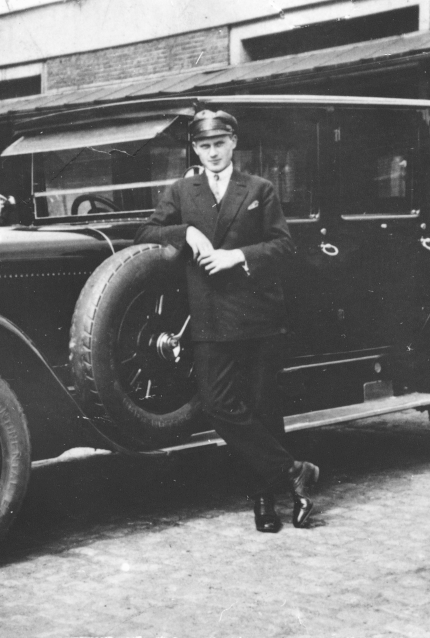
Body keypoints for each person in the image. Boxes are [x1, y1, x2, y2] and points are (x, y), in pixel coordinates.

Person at [135, 109, 319, 532]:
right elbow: (144, 233)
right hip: (209, 317)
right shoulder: (182, 190)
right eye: (204, 145)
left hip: (258, 317)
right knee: (219, 406)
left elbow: (283, 246)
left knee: (263, 410)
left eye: (219, 143)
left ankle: (267, 505)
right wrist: (184, 233)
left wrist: (236, 256)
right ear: (195, 149)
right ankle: (295, 473)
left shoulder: (259, 188)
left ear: (233, 142)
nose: (213, 152)